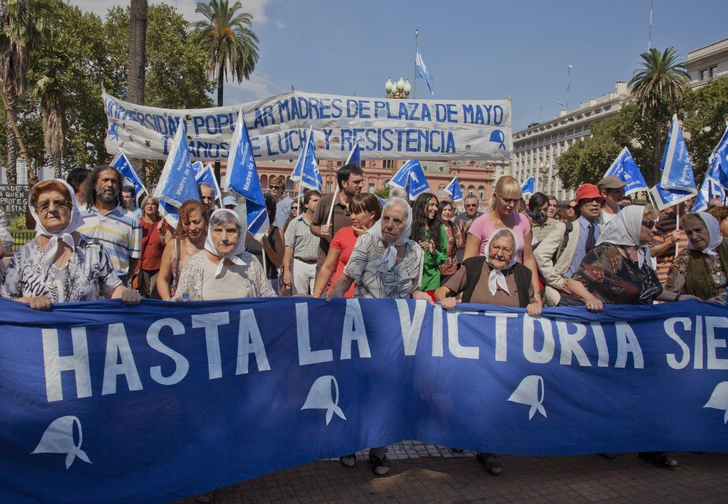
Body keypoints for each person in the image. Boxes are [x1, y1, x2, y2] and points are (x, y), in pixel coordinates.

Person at [569, 204, 695, 469]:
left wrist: (682, 297)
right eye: (647, 225)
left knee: (648, 390)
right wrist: (590, 299)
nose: (653, 229)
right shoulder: (607, 252)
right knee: (612, 392)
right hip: (612, 335)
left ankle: (650, 446)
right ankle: (607, 441)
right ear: (631, 226)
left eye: (653, 224)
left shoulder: (642, 253)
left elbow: (653, 291)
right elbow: (575, 281)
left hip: (642, 334)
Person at [327, 197, 431, 476]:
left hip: (396, 338)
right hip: (364, 329)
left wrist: (422, 296)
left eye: (397, 220)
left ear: (407, 224)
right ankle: (351, 443)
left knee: (388, 393)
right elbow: (347, 279)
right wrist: (332, 297)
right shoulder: (366, 244)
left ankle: (379, 451)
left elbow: (413, 289)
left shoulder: (415, 253)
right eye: (386, 218)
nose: (389, 225)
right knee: (358, 389)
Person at [435, 228, 536, 476]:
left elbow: (536, 302)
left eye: (506, 250)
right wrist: (447, 299)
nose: (499, 254)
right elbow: (441, 291)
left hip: (505, 350)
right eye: (495, 247)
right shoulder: (473, 266)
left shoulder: (523, 274)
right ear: (488, 245)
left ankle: (487, 449)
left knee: (495, 399)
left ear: (514, 253)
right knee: (467, 395)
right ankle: (462, 435)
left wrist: (535, 306)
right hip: (471, 346)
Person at [0, 179, 141, 309]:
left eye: (59, 203)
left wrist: (126, 294)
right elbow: (5, 302)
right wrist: (28, 301)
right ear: (36, 212)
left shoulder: (93, 249)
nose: (52, 209)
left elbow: (112, 289)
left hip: (84, 334)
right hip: (38, 335)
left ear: (71, 207)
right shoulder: (23, 256)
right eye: (44, 205)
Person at [463, 176, 543, 315]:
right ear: (495, 196)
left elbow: (528, 259)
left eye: (515, 200)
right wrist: (462, 293)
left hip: (516, 287)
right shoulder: (480, 223)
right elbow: (467, 263)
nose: (511, 205)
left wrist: (536, 295)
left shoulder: (523, 221)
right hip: (484, 289)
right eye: (506, 199)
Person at [172, 209, 275, 301]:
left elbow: (269, 298)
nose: (224, 238)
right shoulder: (195, 264)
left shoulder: (251, 263)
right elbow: (180, 299)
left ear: (239, 234)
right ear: (209, 233)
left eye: (231, 231)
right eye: (218, 230)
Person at [535, 183, 607, 307]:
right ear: (580, 205)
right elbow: (539, 254)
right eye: (589, 200)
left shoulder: (604, 231)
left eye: (598, 200)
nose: (595, 204)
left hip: (597, 296)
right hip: (567, 296)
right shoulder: (565, 228)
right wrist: (558, 281)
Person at [78, 165, 142, 287]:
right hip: (82, 285)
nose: (109, 184)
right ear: (94, 184)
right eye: (105, 180)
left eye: (114, 181)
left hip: (116, 286)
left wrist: (118, 282)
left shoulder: (132, 220)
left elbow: (133, 258)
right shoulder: (78, 215)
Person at [312, 193, 382, 298]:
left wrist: (370, 238)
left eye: (357, 212)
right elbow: (328, 267)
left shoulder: (384, 239)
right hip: (339, 299)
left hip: (368, 304)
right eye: (351, 212)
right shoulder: (343, 233)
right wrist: (316, 298)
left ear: (372, 214)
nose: (352, 217)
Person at [311, 163, 365, 266]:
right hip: (327, 264)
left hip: (354, 265)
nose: (361, 185)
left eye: (362, 181)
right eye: (356, 182)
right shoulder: (326, 202)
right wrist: (320, 231)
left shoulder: (364, 204)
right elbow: (313, 226)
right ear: (344, 183)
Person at [666, 212, 728, 300]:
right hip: (703, 311)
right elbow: (671, 295)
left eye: (698, 230)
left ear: (711, 228)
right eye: (689, 233)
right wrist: (703, 303)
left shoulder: (726, 246)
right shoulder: (685, 258)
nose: (694, 237)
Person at [157, 200, 208, 300]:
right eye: (187, 223)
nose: (192, 227)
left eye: (196, 222)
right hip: (180, 308)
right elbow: (163, 279)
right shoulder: (174, 245)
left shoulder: (214, 246)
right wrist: (168, 301)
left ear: (205, 220)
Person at [283, 190, 322, 295]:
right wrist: (286, 270)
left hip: (318, 265)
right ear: (306, 204)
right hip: (300, 264)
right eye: (314, 200)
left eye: (319, 200)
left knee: (318, 297)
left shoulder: (324, 223)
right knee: (300, 299)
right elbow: (288, 248)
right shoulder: (295, 223)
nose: (317, 203)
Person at [245, 194, 285, 294]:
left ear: (268, 211)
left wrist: (266, 245)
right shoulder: (250, 231)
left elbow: (279, 262)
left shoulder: (277, 232)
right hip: (252, 280)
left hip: (269, 280)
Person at [411, 193, 448, 298]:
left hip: (431, 282)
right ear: (422, 206)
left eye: (436, 205)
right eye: (431, 205)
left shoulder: (439, 229)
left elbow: (444, 257)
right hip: (412, 281)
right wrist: (415, 248)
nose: (435, 208)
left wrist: (433, 252)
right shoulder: (410, 227)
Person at [651, 199, 691, 285]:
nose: (686, 203)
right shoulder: (661, 224)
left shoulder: (694, 223)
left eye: (689, 200)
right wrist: (670, 242)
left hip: (690, 277)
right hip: (667, 277)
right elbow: (652, 252)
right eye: (683, 200)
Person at [137, 195, 166, 299]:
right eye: (147, 204)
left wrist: (160, 233)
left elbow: (167, 245)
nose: (150, 206)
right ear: (143, 206)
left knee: (155, 296)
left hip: (158, 266)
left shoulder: (163, 223)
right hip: (140, 267)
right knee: (141, 297)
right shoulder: (138, 223)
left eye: (153, 204)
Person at [437, 200, 463, 284]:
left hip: (451, 268)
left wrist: (462, 232)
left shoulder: (454, 227)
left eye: (449, 210)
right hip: (436, 267)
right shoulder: (434, 226)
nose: (447, 212)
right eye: (445, 210)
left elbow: (459, 246)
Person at [453, 195, 482, 267]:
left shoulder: (483, 218)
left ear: (477, 205)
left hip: (478, 257)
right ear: (464, 206)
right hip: (462, 257)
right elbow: (456, 241)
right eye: (468, 205)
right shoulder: (458, 218)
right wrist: (463, 230)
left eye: (473, 205)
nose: (471, 207)